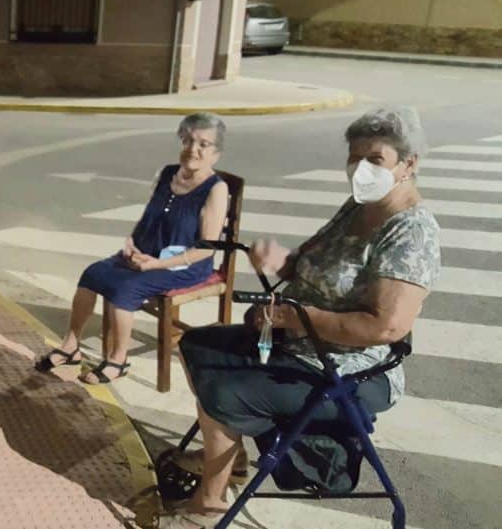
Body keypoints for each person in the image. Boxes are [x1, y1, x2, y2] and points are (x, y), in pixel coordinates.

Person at [160, 107, 441, 528]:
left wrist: (294, 318)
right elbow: (309, 262)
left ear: (409, 164)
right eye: (355, 158)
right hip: (296, 339)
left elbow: (386, 326)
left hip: (354, 371)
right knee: (199, 344)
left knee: (224, 393)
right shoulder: (358, 205)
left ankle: (210, 502)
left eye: (375, 159)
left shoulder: (410, 231)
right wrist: (281, 261)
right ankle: (228, 456)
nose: (361, 169)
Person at [35, 112, 230, 384]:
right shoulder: (166, 174)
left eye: (203, 144)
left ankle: (118, 360)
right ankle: (71, 346)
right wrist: (132, 241)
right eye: (187, 140)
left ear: (216, 154)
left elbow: (207, 249)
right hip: (146, 254)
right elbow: (149, 217)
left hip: (184, 265)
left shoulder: (215, 189)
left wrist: (156, 264)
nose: (192, 149)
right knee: (93, 274)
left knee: (124, 289)